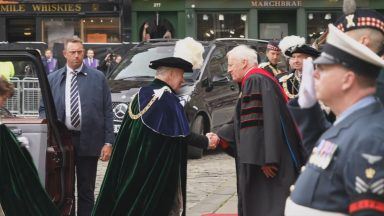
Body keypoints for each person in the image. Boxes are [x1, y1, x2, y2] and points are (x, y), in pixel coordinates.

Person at [92, 37, 216, 216]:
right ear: (171, 74)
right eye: (181, 76)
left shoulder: (140, 94)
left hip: (132, 169)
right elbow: (183, 134)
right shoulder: (167, 99)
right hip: (154, 174)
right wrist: (206, 141)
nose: (182, 81)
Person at [285, 21, 384, 215]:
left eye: (322, 69)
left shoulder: (370, 138)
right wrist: (307, 107)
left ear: (347, 80)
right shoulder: (349, 123)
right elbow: (328, 156)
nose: (314, 74)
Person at [206, 45, 306, 216]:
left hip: (265, 163)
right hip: (268, 156)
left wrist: (265, 159)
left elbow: (260, 122)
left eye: (231, 65)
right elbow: (244, 119)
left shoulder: (255, 80)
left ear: (244, 63)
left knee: (265, 206)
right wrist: (221, 136)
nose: (228, 70)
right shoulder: (258, 80)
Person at [39, 37, 114, 216]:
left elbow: (108, 111)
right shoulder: (52, 79)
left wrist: (108, 142)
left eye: (80, 52)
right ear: (65, 54)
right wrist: (49, 135)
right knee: (65, 190)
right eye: (72, 52)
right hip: (62, 142)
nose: (77, 56)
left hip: (89, 141)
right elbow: (43, 109)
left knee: (86, 190)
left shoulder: (98, 78)